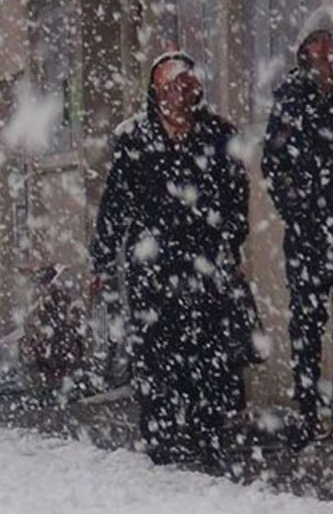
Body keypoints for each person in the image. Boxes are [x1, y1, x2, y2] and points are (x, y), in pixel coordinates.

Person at [90, 52, 251, 466]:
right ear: (156, 91)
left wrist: (229, 242)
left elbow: (236, 195)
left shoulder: (217, 135)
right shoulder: (134, 139)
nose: (180, 94)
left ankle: (207, 431)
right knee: (156, 350)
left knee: (208, 348)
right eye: (171, 86)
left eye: (187, 85)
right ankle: (161, 434)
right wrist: (103, 257)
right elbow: (116, 203)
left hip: (203, 260)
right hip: (153, 264)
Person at [261, 6, 333, 443]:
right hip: (309, 236)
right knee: (305, 329)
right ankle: (308, 412)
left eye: (329, 41)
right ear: (303, 49)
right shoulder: (290, 97)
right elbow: (273, 163)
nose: (323, 50)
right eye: (315, 42)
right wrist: (299, 209)